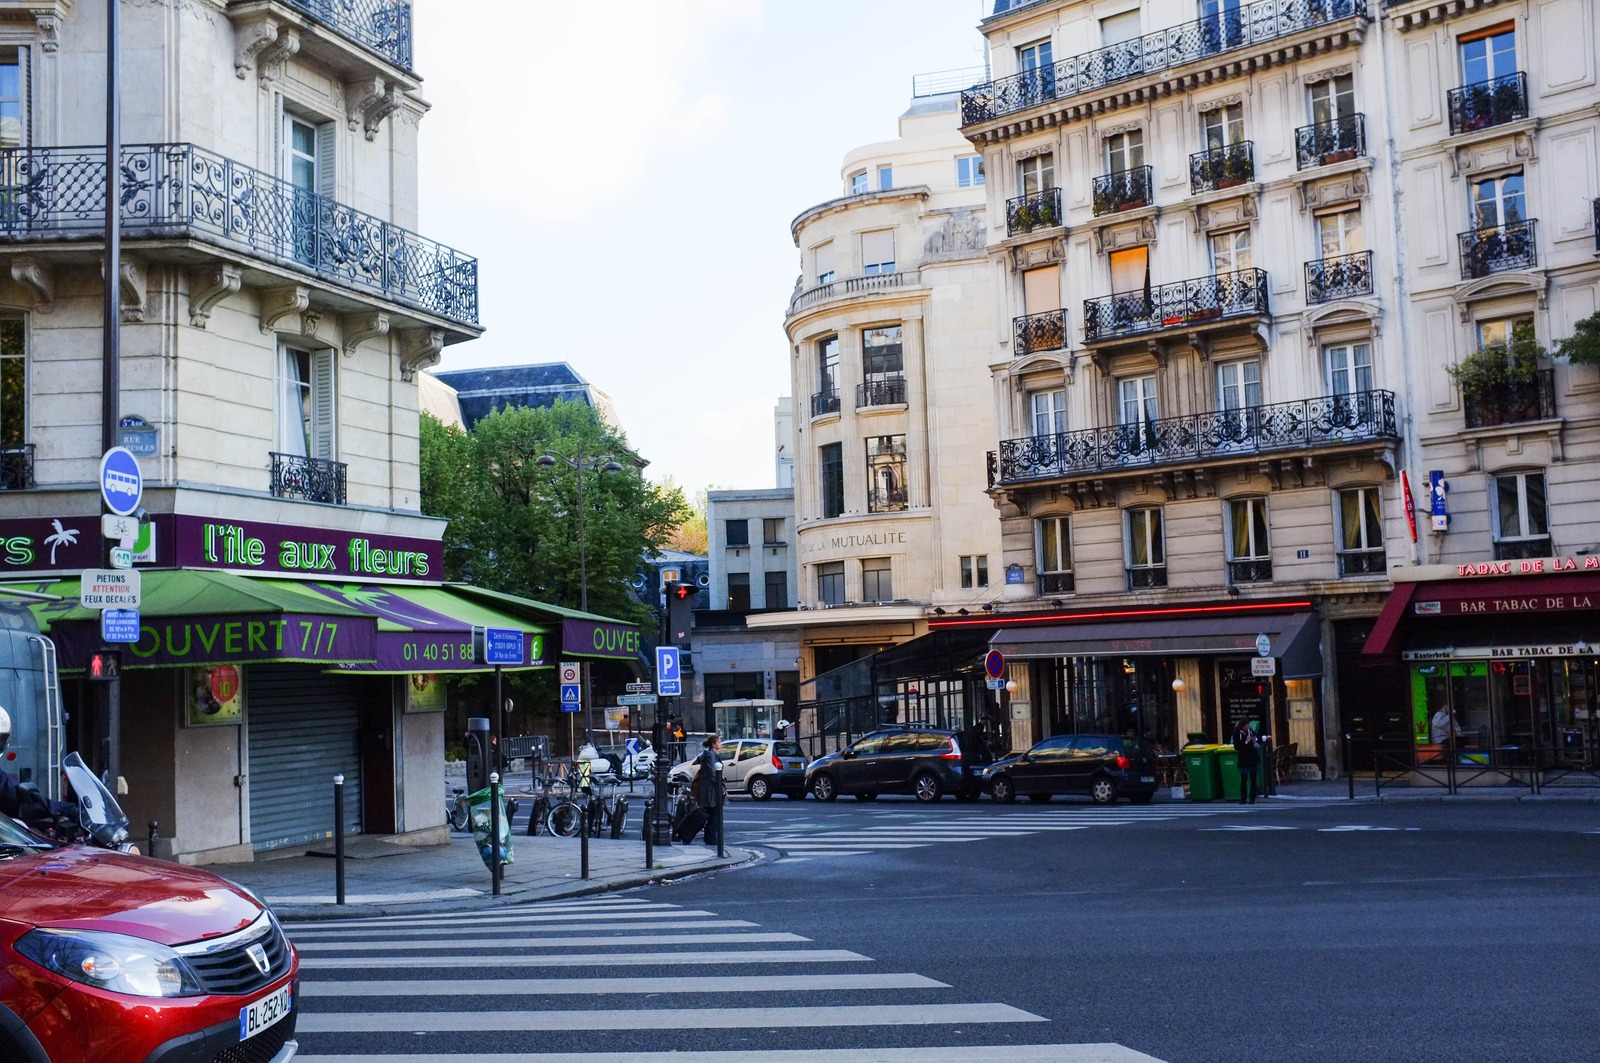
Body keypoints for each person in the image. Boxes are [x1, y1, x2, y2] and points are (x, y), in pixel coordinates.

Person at [692, 732, 725, 847]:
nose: (720, 744)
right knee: (713, 814)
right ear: (713, 744)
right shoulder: (710, 755)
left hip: (708, 789)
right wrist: (719, 785)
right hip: (710, 790)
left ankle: (710, 837)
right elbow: (712, 773)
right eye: (719, 742)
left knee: (711, 814)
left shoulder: (709, 754)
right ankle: (711, 838)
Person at [1232, 718, 1262, 804]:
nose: (1247, 727)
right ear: (1242, 726)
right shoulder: (1237, 733)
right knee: (1244, 779)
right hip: (1244, 758)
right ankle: (1243, 799)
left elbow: (1257, 740)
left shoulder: (1251, 731)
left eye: (1248, 725)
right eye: (1246, 725)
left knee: (1253, 779)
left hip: (1253, 757)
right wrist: (1246, 742)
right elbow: (1237, 746)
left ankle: (1252, 799)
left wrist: (1254, 739)